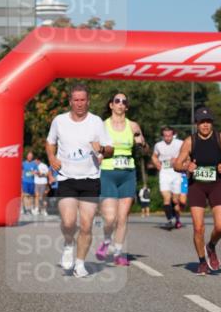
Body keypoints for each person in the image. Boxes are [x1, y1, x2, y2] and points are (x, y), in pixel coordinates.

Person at [45, 83, 113, 278]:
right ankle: (68, 244)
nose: (80, 104)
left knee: (86, 225)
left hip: (90, 178)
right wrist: (51, 158)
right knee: (68, 222)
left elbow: (110, 149)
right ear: (70, 102)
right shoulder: (59, 121)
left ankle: (80, 263)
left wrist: (100, 150)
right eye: (76, 100)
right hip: (66, 177)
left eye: (83, 100)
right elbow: (50, 142)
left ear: (88, 101)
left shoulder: (96, 122)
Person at [174, 107, 221, 275]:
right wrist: (187, 166)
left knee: (220, 226)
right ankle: (202, 261)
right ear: (196, 124)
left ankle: (211, 246)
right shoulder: (190, 141)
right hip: (197, 186)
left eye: (208, 122)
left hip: (217, 184)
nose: (205, 125)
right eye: (202, 122)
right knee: (198, 228)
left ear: (212, 123)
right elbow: (177, 165)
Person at [96, 92, 147, 267]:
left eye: (124, 101)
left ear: (127, 106)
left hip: (127, 173)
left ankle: (118, 253)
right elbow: (95, 150)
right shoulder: (102, 126)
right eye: (117, 101)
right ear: (111, 105)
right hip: (108, 173)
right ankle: (106, 242)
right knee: (110, 218)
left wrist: (142, 143)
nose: (120, 104)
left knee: (123, 217)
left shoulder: (133, 126)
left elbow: (145, 147)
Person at [151, 127, 184, 229]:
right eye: (165, 136)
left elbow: (187, 155)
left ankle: (177, 218)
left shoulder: (180, 143)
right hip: (164, 172)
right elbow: (154, 156)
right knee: (166, 197)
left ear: (173, 135)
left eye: (169, 135)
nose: (167, 138)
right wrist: (156, 164)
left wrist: (179, 160)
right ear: (162, 136)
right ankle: (170, 220)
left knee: (176, 200)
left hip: (176, 172)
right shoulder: (158, 145)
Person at [21, 151, 38, 216]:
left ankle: (30, 208)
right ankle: (26, 208)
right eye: (29, 156)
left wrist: (35, 172)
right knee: (25, 195)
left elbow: (37, 171)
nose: (30, 157)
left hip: (32, 182)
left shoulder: (34, 164)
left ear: (32, 157)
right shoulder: (23, 163)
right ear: (27, 156)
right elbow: (21, 170)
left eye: (31, 156)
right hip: (25, 181)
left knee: (31, 196)